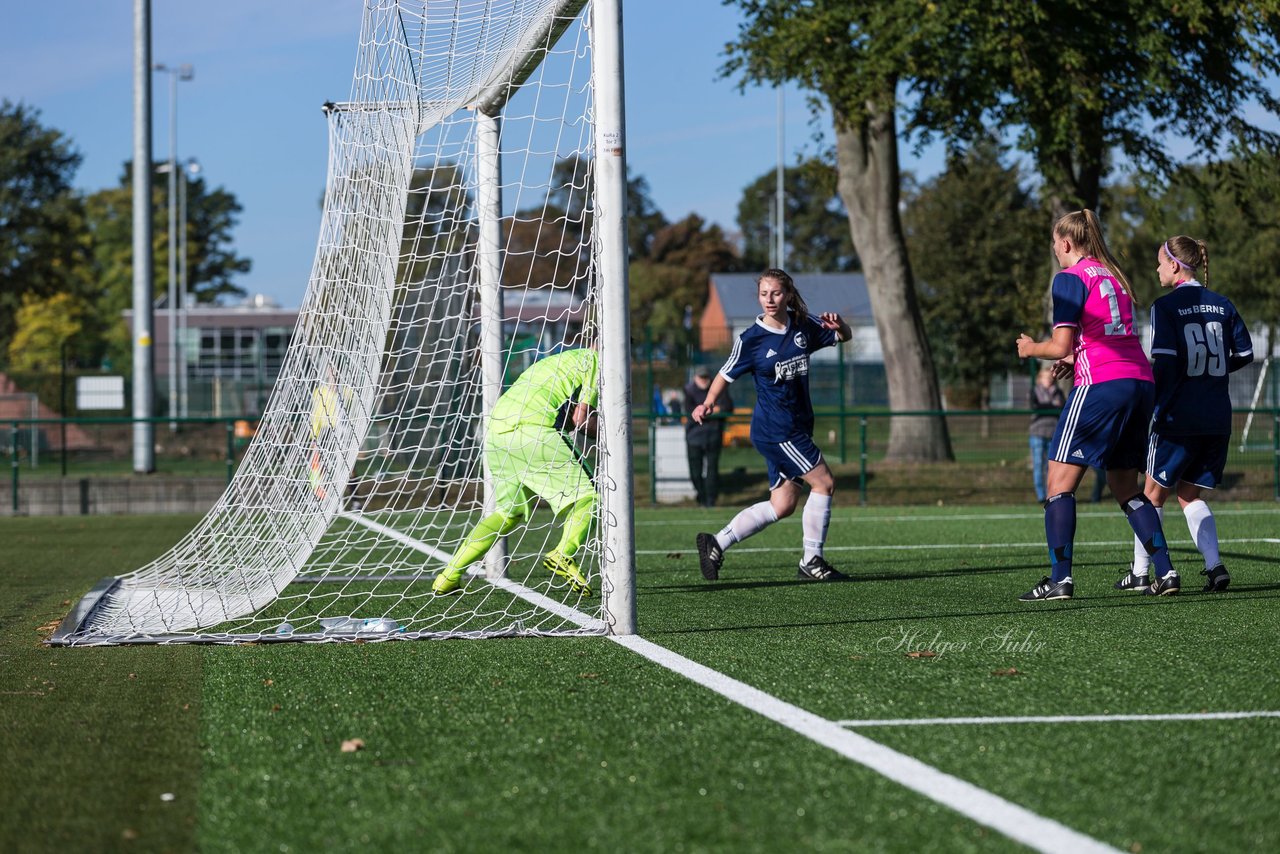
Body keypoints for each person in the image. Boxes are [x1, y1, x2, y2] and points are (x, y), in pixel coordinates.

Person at [1014, 209, 1180, 600]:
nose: (1055, 251)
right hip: (1140, 383)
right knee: (1125, 486)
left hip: (1102, 385)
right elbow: (1109, 338)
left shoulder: (1069, 279)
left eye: (1055, 244)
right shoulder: (1115, 276)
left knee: (1058, 484)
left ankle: (1060, 579)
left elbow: (1059, 344)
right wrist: (1074, 358)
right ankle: (1166, 572)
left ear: (1067, 243)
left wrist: (1030, 348)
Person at [692, 269, 852, 582]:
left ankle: (717, 543)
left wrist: (841, 326)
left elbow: (842, 337)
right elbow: (726, 374)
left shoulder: (803, 325)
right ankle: (812, 561)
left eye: (776, 293)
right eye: (764, 294)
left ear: (788, 295)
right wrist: (708, 402)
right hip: (777, 430)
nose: (769, 299)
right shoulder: (751, 339)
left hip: (796, 426)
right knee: (824, 483)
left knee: (783, 505)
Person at [1117, 235, 1253, 593]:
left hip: (1178, 417)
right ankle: (1215, 566)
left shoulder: (1165, 308)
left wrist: (1152, 405)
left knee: (1150, 497)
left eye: (1160, 262)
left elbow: (1165, 366)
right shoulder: (1223, 304)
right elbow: (1244, 354)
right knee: (1190, 496)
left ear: (1175, 265)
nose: (1157, 268)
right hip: (1217, 416)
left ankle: (1143, 572)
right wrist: (1210, 373)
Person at [431, 348, 598, 596]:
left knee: (508, 513)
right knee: (591, 496)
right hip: (533, 429)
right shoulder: (596, 361)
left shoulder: (559, 360)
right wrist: (615, 439)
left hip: (497, 431)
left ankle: (449, 575)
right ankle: (563, 554)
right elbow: (580, 417)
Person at [684, 365, 733, 507]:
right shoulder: (689, 390)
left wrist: (707, 411)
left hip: (713, 435)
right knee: (695, 472)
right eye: (701, 377)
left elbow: (727, 407)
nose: (704, 380)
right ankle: (702, 497)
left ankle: (711, 500)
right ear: (695, 378)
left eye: (706, 377)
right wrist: (712, 411)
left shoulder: (718, 389)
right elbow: (690, 411)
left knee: (712, 470)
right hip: (694, 437)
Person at [1028, 366, 1065, 503]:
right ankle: (1040, 496)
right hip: (1037, 433)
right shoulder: (1035, 391)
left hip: (1054, 433)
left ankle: (1053, 493)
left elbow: (1062, 406)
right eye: (1045, 377)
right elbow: (1036, 406)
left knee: (1053, 466)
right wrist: (1052, 405)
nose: (1048, 379)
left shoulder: (1058, 391)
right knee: (1038, 465)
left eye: (1050, 377)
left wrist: (1048, 405)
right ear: (1039, 378)